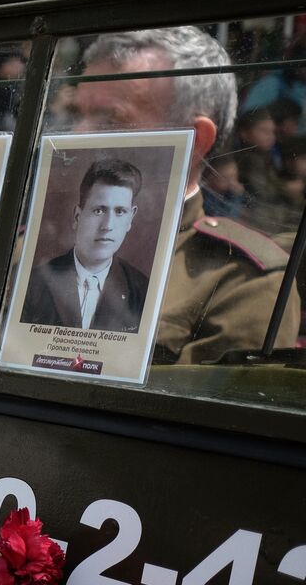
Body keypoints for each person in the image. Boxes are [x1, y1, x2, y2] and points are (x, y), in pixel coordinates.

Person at [71, 26, 300, 363]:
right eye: (77, 116)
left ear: (193, 140)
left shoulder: (242, 279)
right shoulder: (23, 247)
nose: (76, 137)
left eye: (110, 120)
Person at [21, 160, 150, 332]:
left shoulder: (141, 291)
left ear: (130, 219)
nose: (107, 225)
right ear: (77, 217)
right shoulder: (34, 284)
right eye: (99, 210)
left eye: (120, 212)